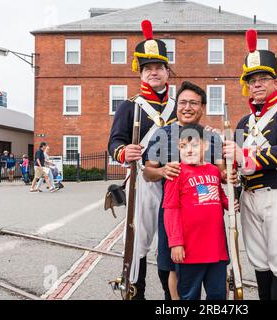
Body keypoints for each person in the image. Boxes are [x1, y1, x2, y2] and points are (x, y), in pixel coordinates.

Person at [223, 30, 277, 300]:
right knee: (259, 261)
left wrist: (242, 156)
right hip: (249, 196)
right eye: (252, 80)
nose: (257, 84)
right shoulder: (243, 123)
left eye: (263, 79)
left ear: (275, 82)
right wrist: (233, 183)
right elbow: (235, 168)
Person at [108, 20, 177, 300]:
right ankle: (136, 294)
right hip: (143, 182)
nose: (153, 73)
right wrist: (125, 153)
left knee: (172, 243)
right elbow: (114, 143)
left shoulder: (179, 105)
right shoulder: (130, 105)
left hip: (174, 180)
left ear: (166, 71)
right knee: (138, 244)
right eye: (148, 68)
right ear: (141, 72)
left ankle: (171, 297)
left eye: (158, 68)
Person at [143, 81, 225, 300]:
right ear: (176, 105)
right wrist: (162, 172)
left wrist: (231, 175)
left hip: (206, 221)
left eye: (194, 103)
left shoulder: (211, 137)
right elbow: (147, 173)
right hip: (175, 213)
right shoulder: (163, 134)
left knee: (213, 274)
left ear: (202, 107)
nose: (187, 107)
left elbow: (221, 174)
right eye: (183, 102)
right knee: (172, 269)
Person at [163, 124, 234, 300]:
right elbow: (170, 210)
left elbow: (216, 195)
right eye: (183, 146)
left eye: (194, 145)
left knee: (218, 295)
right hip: (190, 251)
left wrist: (230, 203)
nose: (188, 150)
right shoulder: (176, 173)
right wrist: (175, 242)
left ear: (206, 145)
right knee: (189, 296)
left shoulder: (213, 171)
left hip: (216, 249)